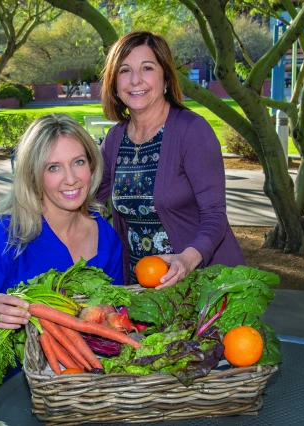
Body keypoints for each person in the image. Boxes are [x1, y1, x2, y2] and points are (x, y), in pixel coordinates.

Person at [0, 114, 123, 351]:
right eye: (53, 167)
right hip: (19, 378)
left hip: (89, 374)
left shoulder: (106, 236)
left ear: (92, 165)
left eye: (78, 162)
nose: (71, 179)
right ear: (33, 175)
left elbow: (113, 320)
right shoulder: (0, 235)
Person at [97, 30, 245, 289]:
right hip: (140, 288)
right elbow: (89, 201)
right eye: (124, 70)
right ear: (114, 83)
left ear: (165, 77)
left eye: (147, 68)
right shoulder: (114, 139)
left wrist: (187, 260)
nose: (135, 80)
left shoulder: (192, 131)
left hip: (201, 281)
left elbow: (214, 215)